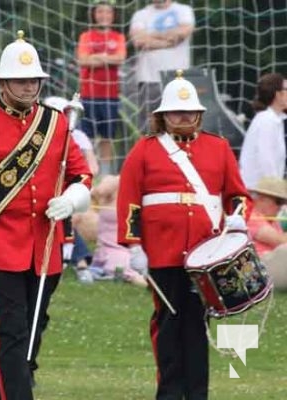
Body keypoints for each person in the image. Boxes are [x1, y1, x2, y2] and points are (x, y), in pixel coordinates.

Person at [0, 31, 92, 400]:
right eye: (21, 80)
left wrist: (71, 201)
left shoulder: (55, 123)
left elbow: (82, 175)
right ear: (3, 83)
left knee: (31, 335)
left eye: (34, 80)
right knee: (10, 333)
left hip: (45, 250)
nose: (29, 87)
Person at [117, 70, 252, 399]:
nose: (184, 116)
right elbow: (129, 200)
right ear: (163, 116)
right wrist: (134, 245)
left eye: (190, 111)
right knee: (168, 323)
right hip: (162, 253)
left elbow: (238, 197)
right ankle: (169, 392)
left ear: (199, 113)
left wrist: (236, 220)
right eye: (177, 111)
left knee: (197, 325)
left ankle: (196, 393)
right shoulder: (144, 150)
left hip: (205, 255)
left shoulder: (218, 148)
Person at [43, 95, 98, 283]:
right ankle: (73, 260)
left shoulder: (78, 137)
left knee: (70, 219)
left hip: (71, 189)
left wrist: (72, 184)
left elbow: (92, 169)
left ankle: (75, 261)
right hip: (47, 191)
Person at [76, 0, 126, 175]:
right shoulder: (86, 36)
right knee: (85, 136)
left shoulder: (118, 37)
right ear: (94, 14)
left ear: (113, 15)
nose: (104, 15)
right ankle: (84, 172)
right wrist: (106, 57)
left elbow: (120, 58)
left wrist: (96, 58)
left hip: (110, 96)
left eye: (108, 12)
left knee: (107, 138)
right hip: (88, 94)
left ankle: (105, 175)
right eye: (100, 12)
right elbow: (83, 60)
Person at [130, 0, 195, 133]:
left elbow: (182, 33)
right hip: (149, 78)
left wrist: (150, 35)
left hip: (178, 79)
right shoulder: (141, 14)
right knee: (149, 128)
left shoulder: (184, 10)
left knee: (179, 127)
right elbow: (138, 41)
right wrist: (169, 42)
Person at [88, 174, 147, 286]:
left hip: (138, 248)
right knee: (124, 267)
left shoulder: (146, 187)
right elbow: (100, 191)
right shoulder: (114, 182)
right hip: (112, 249)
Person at [239, 73, 287, 189]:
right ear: (277, 94)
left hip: (263, 191)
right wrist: (277, 192)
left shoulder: (275, 120)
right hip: (256, 194)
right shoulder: (267, 121)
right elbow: (267, 161)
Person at [246, 177, 287, 289]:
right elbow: (280, 241)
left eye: (283, 203)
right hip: (258, 269)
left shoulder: (272, 220)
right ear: (262, 199)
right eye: (278, 202)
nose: (280, 207)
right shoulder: (250, 215)